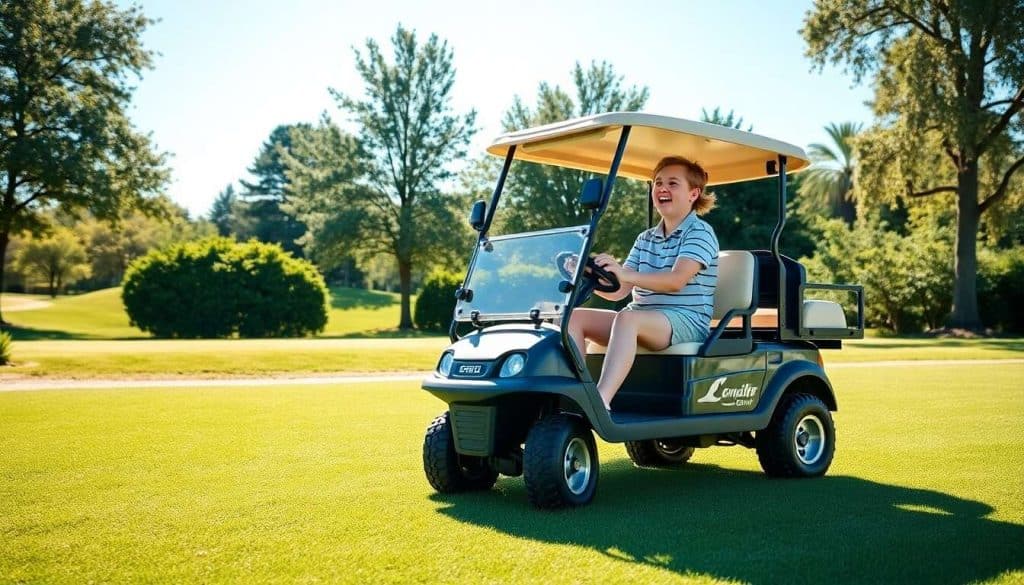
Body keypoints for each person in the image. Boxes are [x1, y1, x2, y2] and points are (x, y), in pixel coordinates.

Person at [568, 156, 719, 410]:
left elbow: (676, 281)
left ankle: (600, 401)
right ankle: (575, 393)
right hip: (642, 317)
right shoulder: (645, 238)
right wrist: (588, 274)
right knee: (574, 317)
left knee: (627, 319)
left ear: (693, 194)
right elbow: (620, 291)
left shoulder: (700, 233)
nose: (662, 188)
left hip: (686, 320)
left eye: (672, 183)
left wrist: (625, 274)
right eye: (658, 183)